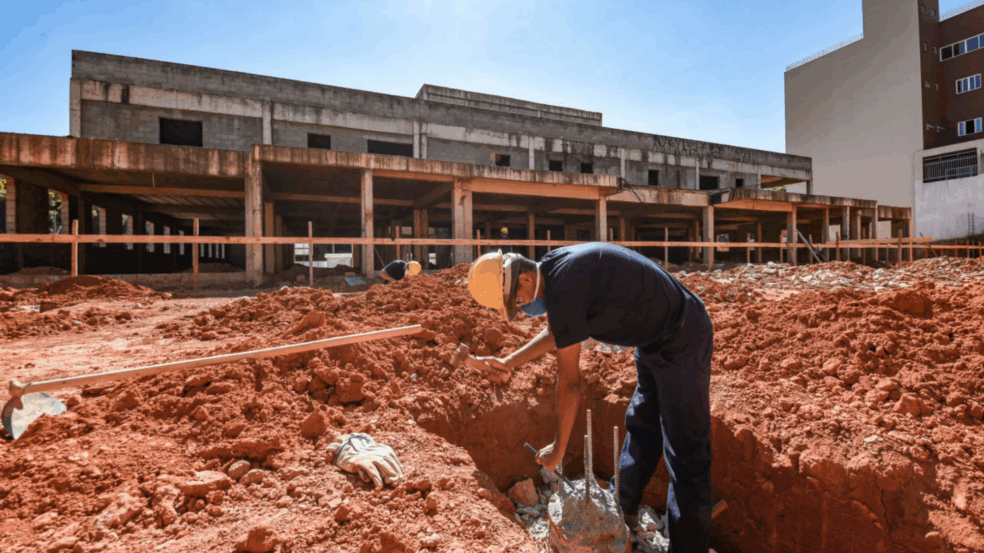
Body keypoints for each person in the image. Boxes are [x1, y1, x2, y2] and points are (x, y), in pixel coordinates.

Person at [466, 243, 714, 553]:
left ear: (526, 279)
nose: (522, 306)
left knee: (686, 448)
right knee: (643, 424)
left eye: (516, 299)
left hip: (683, 335)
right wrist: (509, 362)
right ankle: (622, 509)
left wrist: (558, 449)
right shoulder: (555, 269)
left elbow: (569, 384)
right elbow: (561, 331)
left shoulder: (565, 285)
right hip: (652, 338)